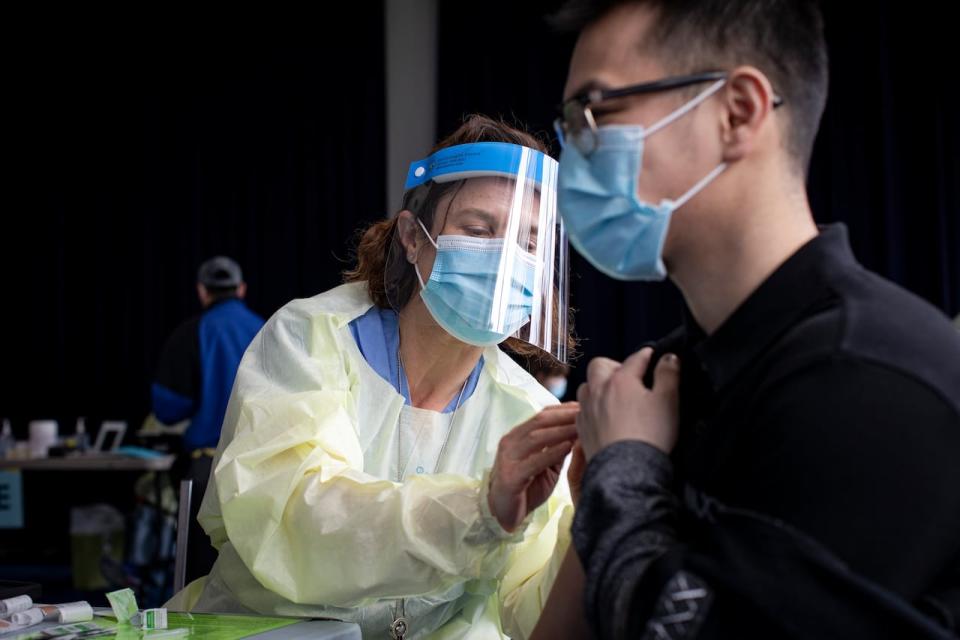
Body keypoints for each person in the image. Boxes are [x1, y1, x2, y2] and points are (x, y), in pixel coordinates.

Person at [532, 1, 960, 638]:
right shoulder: (666, 377)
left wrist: (624, 475)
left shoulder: (867, 379)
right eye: (569, 126)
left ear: (737, 113)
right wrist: (602, 488)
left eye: (596, 114)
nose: (574, 154)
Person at [170, 116, 580, 640]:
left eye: (528, 242)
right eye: (479, 230)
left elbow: (526, 612)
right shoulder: (313, 337)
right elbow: (299, 524)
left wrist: (586, 527)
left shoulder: (526, 410)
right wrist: (480, 510)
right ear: (413, 237)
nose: (506, 262)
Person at [152, 255, 265, 583]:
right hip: (261, 468)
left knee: (200, 576)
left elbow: (167, 408)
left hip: (207, 473)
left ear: (202, 291)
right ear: (241, 289)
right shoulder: (269, 330)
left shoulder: (191, 333)